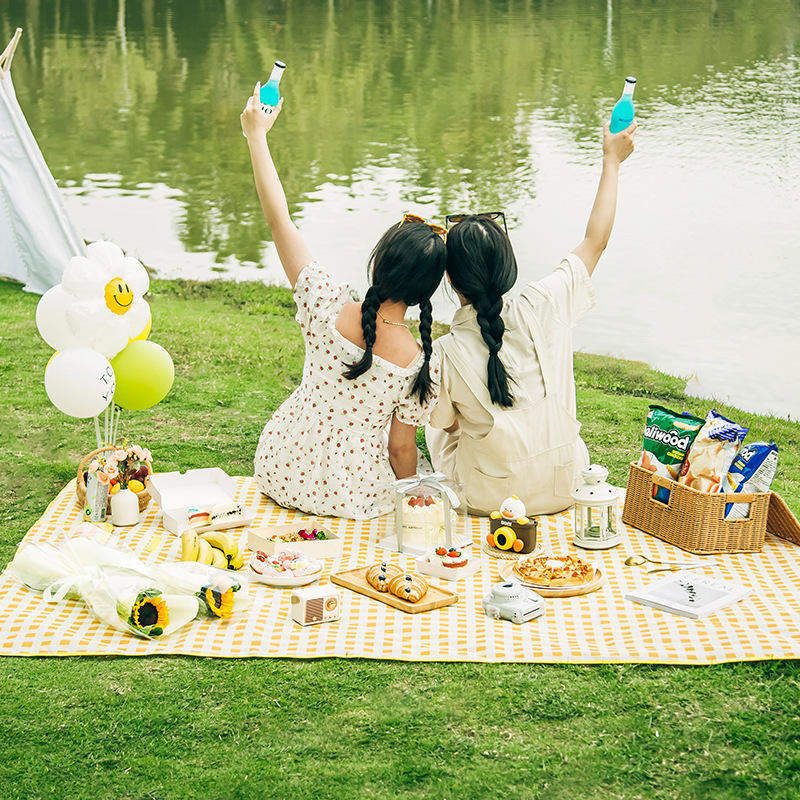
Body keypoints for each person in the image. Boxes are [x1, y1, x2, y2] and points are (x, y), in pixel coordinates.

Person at [240, 84, 447, 520]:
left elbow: (279, 222)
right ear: (425, 292)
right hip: (349, 491)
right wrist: (411, 497)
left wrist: (257, 136)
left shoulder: (325, 303)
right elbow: (400, 449)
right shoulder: (419, 361)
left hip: (283, 466)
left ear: (379, 262)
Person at [426, 121, 637, 516]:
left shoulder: (445, 352)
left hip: (489, 499)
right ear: (509, 265)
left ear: (449, 278)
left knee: (435, 425)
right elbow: (596, 241)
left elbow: (447, 425)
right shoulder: (546, 301)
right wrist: (611, 161)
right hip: (565, 486)